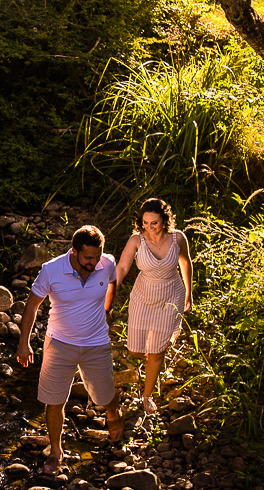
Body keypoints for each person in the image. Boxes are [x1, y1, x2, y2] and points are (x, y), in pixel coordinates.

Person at [17, 225, 124, 474]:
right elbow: (32, 306)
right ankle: (56, 451)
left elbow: (111, 282)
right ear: (74, 251)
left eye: (97, 256)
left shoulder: (107, 263)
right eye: (88, 257)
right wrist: (24, 343)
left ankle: (113, 415)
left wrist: (106, 310)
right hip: (59, 344)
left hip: (96, 343)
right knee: (54, 401)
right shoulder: (51, 270)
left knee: (105, 396)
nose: (93, 262)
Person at [113, 198, 193, 416]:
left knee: (156, 351)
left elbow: (185, 262)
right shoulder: (136, 240)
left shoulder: (178, 238)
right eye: (145, 222)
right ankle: (153, 358)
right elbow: (122, 267)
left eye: (154, 223)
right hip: (143, 296)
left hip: (171, 294)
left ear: (165, 220)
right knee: (136, 350)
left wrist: (189, 291)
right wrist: (110, 290)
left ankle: (147, 396)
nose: (149, 227)